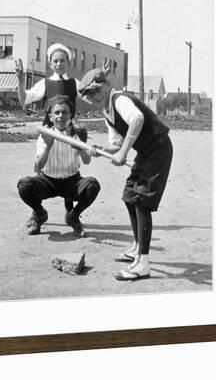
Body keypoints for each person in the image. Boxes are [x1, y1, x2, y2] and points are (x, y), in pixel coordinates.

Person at [78, 68, 173, 280]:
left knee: (141, 200)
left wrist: (122, 153)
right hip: (146, 152)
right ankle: (137, 246)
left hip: (158, 149)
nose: (94, 97)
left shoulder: (119, 100)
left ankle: (143, 263)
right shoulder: (106, 112)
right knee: (130, 196)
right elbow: (117, 144)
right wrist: (97, 148)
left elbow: (137, 119)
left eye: (96, 91)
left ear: (105, 86)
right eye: (89, 95)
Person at [15, 43, 88, 215]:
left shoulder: (74, 83)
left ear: (67, 62)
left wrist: (100, 79)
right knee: (42, 168)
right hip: (50, 132)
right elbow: (25, 99)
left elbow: (91, 96)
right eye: (55, 61)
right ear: (50, 63)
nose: (58, 64)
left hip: (70, 132)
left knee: (69, 169)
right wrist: (20, 79)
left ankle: (71, 213)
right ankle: (37, 213)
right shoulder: (45, 83)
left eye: (62, 61)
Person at [17, 94, 100, 237]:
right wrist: (48, 147)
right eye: (57, 113)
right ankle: (40, 214)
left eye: (64, 112)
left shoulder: (76, 135)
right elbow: (38, 166)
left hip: (72, 181)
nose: (60, 116)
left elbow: (86, 161)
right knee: (24, 185)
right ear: (50, 117)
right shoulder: (45, 135)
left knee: (93, 185)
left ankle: (73, 216)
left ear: (70, 116)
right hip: (49, 180)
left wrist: (80, 147)